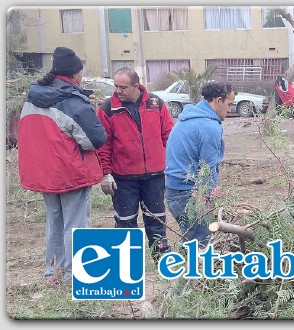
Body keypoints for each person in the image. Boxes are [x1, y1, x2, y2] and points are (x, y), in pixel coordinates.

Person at [18, 46, 107, 282]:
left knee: (54, 223)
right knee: (76, 225)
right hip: (71, 172)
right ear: (75, 74)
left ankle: (53, 273)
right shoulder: (73, 100)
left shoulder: (33, 97)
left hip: (44, 173)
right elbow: (95, 139)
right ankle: (74, 275)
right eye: (81, 72)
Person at [96, 67, 174, 262]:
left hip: (154, 176)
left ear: (136, 86)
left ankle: (161, 257)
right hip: (123, 178)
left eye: (123, 87)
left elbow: (168, 136)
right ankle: (127, 262)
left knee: (156, 218)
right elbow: (103, 145)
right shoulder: (107, 109)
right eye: (116, 86)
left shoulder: (156, 104)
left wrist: (172, 164)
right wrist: (106, 174)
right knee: (125, 221)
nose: (118, 91)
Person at [165, 81, 236, 249]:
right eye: (229, 104)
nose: (230, 109)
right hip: (188, 194)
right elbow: (207, 169)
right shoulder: (208, 126)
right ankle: (195, 273)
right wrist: (209, 198)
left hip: (174, 191)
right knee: (201, 245)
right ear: (218, 100)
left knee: (192, 242)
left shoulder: (190, 118)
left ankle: (186, 271)